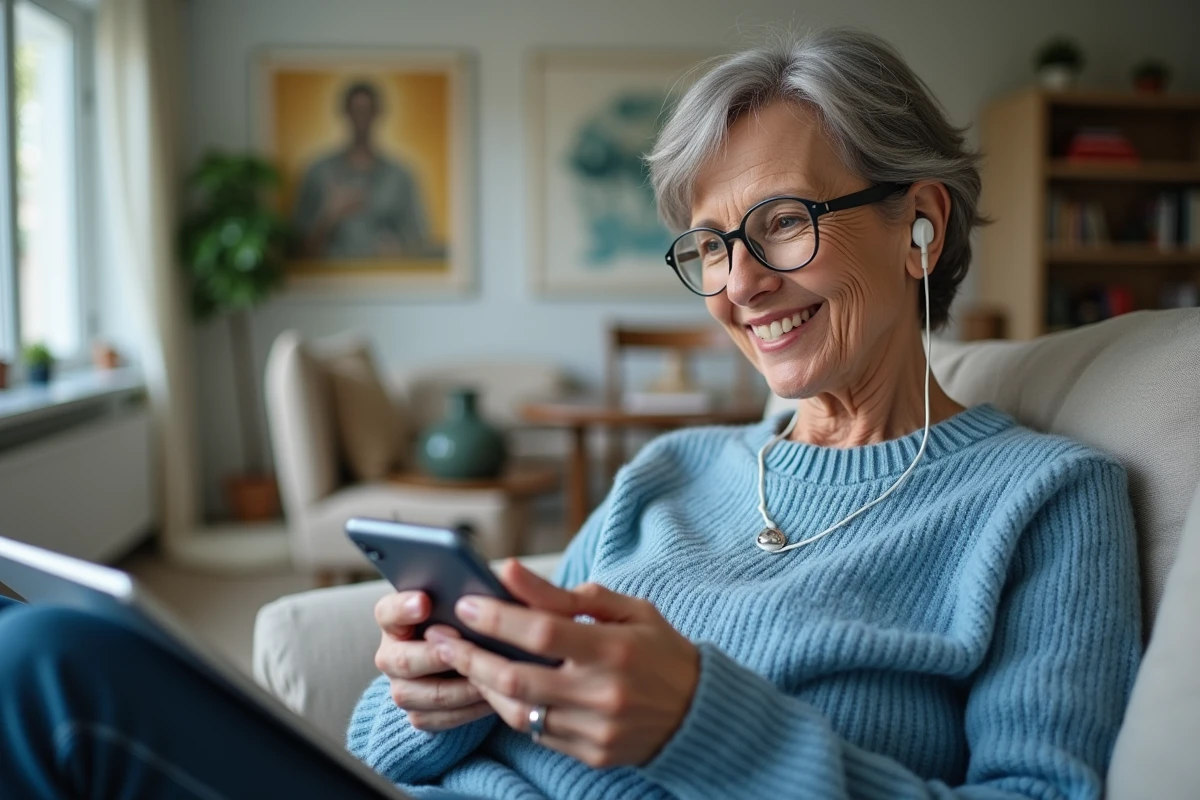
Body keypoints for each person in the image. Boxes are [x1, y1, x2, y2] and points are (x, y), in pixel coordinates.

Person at [0, 29, 1140, 799]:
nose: (738, 283)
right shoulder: (670, 470)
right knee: (41, 640)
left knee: (53, 665)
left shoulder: (1043, 501)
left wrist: (703, 722)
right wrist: (430, 686)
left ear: (920, 224)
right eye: (710, 245)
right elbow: (379, 751)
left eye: (783, 222)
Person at [291, 80, 442, 260]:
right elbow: (295, 249)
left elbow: (420, 240)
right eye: (356, 111)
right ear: (345, 113)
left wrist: (399, 247)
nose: (361, 118)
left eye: (367, 111)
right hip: (332, 283)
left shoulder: (401, 176)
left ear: (377, 114)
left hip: (387, 280)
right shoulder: (318, 171)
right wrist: (328, 216)